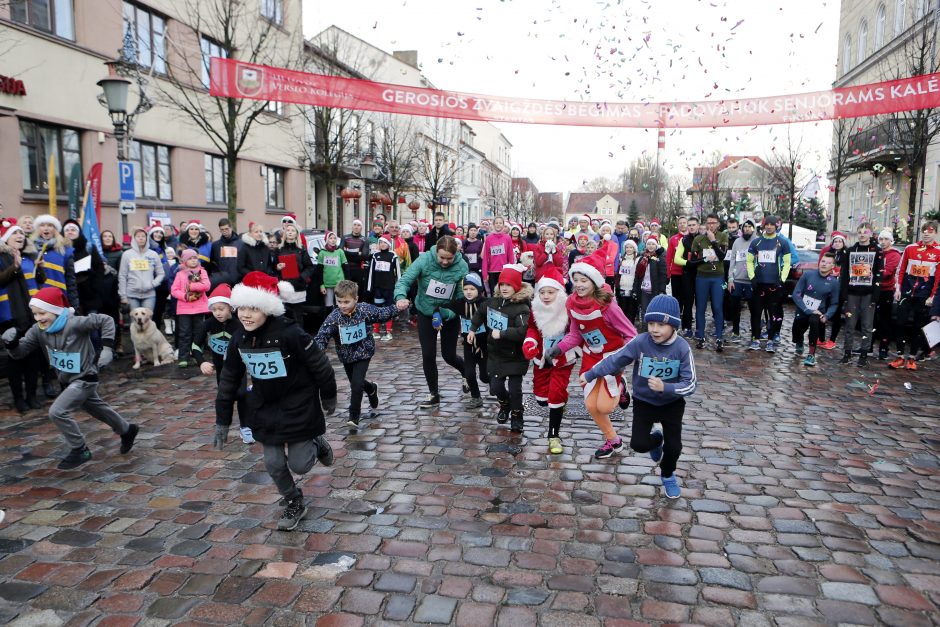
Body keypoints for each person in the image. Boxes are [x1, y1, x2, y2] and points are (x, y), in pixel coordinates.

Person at [216, 271, 336, 531]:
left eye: (254, 308)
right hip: (264, 408)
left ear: (268, 309)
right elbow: (228, 379)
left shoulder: (290, 332)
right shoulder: (239, 338)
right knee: (272, 463)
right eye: (242, 308)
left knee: (300, 465)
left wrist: (329, 394)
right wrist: (222, 420)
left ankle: (316, 442)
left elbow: (319, 363)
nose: (246, 315)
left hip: (298, 404)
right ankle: (294, 501)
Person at [2, 287, 138, 469]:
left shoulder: (75, 323)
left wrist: (107, 348)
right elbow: (19, 353)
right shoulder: (38, 330)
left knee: (57, 412)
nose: (38, 318)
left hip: (85, 377)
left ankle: (79, 449)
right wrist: (11, 344)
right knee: (97, 409)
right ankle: (127, 430)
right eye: (35, 314)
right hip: (66, 380)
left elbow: (106, 320)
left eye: (42, 313)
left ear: (56, 310)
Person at [581, 294, 696, 499]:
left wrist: (666, 387)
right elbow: (616, 359)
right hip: (644, 401)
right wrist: (591, 374)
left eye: (660, 324)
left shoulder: (681, 348)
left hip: (672, 403)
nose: (654, 329)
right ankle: (656, 439)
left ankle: (668, 475)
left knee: (674, 447)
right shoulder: (641, 342)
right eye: (651, 323)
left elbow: (690, 384)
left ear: (673, 326)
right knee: (639, 444)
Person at [547, 249, 637, 459]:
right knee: (590, 404)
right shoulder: (571, 303)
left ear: (594, 281)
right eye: (575, 279)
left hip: (612, 357)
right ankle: (613, 440)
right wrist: (559, 347)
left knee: (604, 406)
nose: (578, 284)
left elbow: (632, 335)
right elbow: (575, 335)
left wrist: (622, 359)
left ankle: (621, 387)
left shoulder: (608, 306)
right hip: (590, 357)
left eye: (584, 280)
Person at [394, 235, 469, 409]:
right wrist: (400, 297)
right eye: (441, 257)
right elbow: (405, 280)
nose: (444, 262)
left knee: (448, 355)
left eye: (449, 258)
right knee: (428, 354)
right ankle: (433, 394)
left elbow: (461, 297)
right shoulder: (424, 260)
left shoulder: (461, 266)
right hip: (426, 312)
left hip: (448, 314)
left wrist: (448, 313)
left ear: (455, 254)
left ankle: (466, 371)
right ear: (436, 252)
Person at [315, 280, 398, 428]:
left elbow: (382, 313)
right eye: (339, 301)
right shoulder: (334, 317)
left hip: (364, 352)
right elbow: (322, 336)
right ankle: (371, 388)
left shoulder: (364, 309)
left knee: (356, 384)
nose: (342, 305)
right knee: (356, 383)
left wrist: (398, 307)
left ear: (356, 299)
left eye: (347, 302)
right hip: (346, 356)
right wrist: (316, 352)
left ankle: (354, 416)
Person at [467, 263, 531, 433]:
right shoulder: (492, 302)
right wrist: (473, 329)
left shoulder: (522, 307)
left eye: (508, 285)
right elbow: (480, 313)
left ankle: (517, 416)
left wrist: (502, 333)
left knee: (515, 390)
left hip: (515, 356)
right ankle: (505, 405)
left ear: (516, 286)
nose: (504, 288)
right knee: (495, 387)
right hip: (496, 354)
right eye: (502, 284)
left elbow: (523, 331)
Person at [522, 266, 575, 454]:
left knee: (556, 394)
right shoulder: (535, 309)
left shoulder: (568, 311)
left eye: (550, 292)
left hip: (563, 360)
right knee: (541, 398)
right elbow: (532, 330)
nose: (545, 296)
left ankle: (554, 435)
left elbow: (575, 333)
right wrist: (530, 342)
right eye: (542, 292)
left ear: (559, 293)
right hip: (542, 359)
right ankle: (556, 401)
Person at [193, 284, 253, 445]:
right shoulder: (208, 324)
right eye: (214, 309)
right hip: (221, 369)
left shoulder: (238, 325)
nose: (218, 313)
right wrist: (202, 362)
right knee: (224, 397)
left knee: (241, 395)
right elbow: (195, 345)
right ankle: (222, 428)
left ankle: (246, 427)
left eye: (221, 308)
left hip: (238, 368)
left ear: (230, 308)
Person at [0, 219, 45, 411]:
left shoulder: (28, 257)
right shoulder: (1, 258)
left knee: (33, 357)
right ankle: (18, 398)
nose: (20, 236)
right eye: (15, 234)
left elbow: (38, 281)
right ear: (6, 239)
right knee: (15, 359)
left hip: (29, 315)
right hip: (9, 316)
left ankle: (32, 396)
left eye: (22, 234)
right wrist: (15, 267)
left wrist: (39, 268)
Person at [889, 220, 940, 370]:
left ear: (935, 233)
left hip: (924, 295)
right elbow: (901, 269)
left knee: (919, 326)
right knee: (899, 323)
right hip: (906, 291)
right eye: (924, 230)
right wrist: (898, 288)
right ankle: (899, 356)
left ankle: (911, 358)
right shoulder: (910, 248)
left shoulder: (938, 251)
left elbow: (938, 277)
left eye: (930, 231)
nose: (926, 233)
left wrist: (933, 296)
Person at [441, 273, 489, 408]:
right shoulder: (460, 303)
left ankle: (493, 382)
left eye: (472, 289)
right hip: (469, 345)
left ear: (479, 290)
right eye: (466, 289)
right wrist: (436, 313)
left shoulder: (485, 303)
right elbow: (444, 305)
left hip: (484, 345)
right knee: (469, 373)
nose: (468, 292)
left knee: (484, 377)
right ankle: (476, 397)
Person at [839, 223, 883, 366]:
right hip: (852, 293)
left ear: (871, 234)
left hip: (868, 294)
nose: (862, 234)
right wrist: (844, 293)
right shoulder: (850, 250)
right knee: (850, 325)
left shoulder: (877, 251)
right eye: (860, 232)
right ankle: (847, 353)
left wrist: (876, 295)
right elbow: (844, 272)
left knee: (866, 326)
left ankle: (863, 355)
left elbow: (878, 274)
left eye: (865, 232)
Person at [746, 215, 791, 353]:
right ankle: (756, 339)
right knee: (756, 313)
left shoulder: (782, 242)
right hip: (758, 284)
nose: (769, 227)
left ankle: (771, 340)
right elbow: (749, 261)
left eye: (772, 224)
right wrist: (752, 277)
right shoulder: (756, 242)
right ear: (763, 226)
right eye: (767, 224)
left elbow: (787, 262)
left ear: (776, 226)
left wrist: (782, 279)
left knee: (773, 314)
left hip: (774, 284)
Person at [792, 253, 841, 367]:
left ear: (833, 266)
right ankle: (799, 341)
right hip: (802, 309)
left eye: (828, 263)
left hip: (818, 312)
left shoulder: (834, 282)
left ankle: (811, 355)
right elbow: (796, 294)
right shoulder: (808, 275)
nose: (824, 264)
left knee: (814, 323)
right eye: (823, 261)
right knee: (796, 334)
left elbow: (834, 303)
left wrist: (827, 315)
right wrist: (807, 309)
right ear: (819, 262)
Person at [690, 214, 729, 351]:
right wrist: (704, 259)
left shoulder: (723, 236)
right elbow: (692, 261)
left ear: (718, 224)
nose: (711, 225)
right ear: (706, 224)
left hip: (718, 277)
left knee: (717, 307)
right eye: (709, 223)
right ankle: (700, 336)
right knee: (700, 307)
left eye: (714, 223)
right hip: (702, 277)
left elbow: (722, 256)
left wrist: (713, 241)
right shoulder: (698, 239)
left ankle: (719, 336)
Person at [170, 249, 210, 368]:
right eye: (190, 259)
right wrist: (185, 296)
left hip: (199, 308)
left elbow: (207, 286)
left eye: (195, 258)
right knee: (184, 333)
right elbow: (174, 290)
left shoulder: (202, 272)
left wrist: (192, 286)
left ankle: (197, 355)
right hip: (184, 308)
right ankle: (183, 357)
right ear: (185, 261)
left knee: (198, 332)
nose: (193, 261)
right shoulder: (180, 274)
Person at [32, 215, 80, 311]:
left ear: (55, 229)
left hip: (57, 300)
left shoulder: (65, 251)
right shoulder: (30, 249)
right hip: (34, 300)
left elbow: (70, 280)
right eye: (42, 225)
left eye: (50, 225)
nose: (46, 228)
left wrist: (74, 305)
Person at [62, 220, 105, 318]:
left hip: (89, 294)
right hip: (68, 293)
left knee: (92, 324)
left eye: (73, 230)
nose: (70, 232)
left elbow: (99, 268)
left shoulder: (89, 247)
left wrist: (95, 288)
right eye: (67, 230)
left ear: (79, 232)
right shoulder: (60, 249)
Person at [277, 222, 315, 326]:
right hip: (283, 287)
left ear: (296, 234)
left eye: (292, 231)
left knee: (297, 316)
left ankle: (299, 339)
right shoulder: (280, 249)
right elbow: (272, 267)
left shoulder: (301, 250)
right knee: (283, 316)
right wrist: (277, 267)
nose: (290, 232)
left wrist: (302, 277)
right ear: (285, 233)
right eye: (288, 230)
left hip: (298, 287)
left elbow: (310, 267)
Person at [118, 227, 164, 312]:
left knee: (147, 321)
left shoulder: (153, 254)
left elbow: (161, 273)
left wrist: (153, 283)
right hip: (131, 294)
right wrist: (123, 296)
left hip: (149, 295)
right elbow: (122, 276)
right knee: (135, 321)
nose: (141, 238)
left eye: (143, 236)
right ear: (134, 238)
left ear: (147, 238)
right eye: (138, 236)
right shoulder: (127, 254)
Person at [366, 235, 401, 341]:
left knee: (388, 308)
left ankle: (388, 332)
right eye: (380, 242)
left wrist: (399, 288)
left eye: (385, 242)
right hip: (378, 288)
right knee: (377, 308)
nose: (382, 244)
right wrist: (369, 287)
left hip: (389, 288)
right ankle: (376, 331)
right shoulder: (375, 256)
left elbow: (398, 273)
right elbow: (371, 272)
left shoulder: (393, 255)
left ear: (389, 244)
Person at [873, 229, 902, 359]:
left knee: (884, 321)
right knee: (871, 320)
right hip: (874, 289)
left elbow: (888, 272)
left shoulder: (894, 254)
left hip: (886, 290)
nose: (883, 242)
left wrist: (871, 274)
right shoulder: (876, 252)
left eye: (886, 239)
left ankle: (883, 348)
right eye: (881, 239)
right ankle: (868, 346)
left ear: (891, 241)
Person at [818, 231, 848, 349]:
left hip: (839, 288)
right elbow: (822, 266)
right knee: (822, 311)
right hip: (826, 286)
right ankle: (821, 338)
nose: (837, 243)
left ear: (843, 243)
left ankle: (832, 339)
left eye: (840, 241)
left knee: (836, 314)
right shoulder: (828, 253)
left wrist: (839, 272)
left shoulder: (846, 254)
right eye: (835, 241)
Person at [726, 220, 755, 342]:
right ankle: (735, 332)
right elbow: (732, 260)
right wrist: (730, 278)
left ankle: (755, 333)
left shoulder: (757, 241)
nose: (747, 229)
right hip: (737, 280)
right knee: (735, 307)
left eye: (749, 227)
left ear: (753, 228)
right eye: (745, 227)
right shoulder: (737, 242)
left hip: (751, 281)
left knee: (754, 309)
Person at [673, 216, 700, 336]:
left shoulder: (703, 239)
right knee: (687, 302)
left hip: (701, 274)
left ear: (698, 226)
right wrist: (688, 262)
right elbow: (676, 259)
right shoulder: (683, 240)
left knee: (700, 303)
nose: (691, 227)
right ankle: (687, 328)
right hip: (687, 274)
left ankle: (700, 328)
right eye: (690, 225)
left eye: (694, 225)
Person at [635, 236, 668, 330]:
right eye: (649, 243)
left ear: (656, 245)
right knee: (644, 310)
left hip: (655, 289)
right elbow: (637, 274)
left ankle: (655, 328)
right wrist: (636, 288)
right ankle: (645, 329)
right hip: (644, 288)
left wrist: (662, 290)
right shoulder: (642, 258)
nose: (651, 246)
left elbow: (663, 275)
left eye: (653, 244)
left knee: (654, 309)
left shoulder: (660, 258)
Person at [99, 230, 123, 353]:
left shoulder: (118, 253)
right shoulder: (97, 251)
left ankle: (117, 343)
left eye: (110, 236)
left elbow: (121, 272)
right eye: (105, 236)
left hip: (113, 290)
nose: (107, 238)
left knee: (114, 319)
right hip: (99, 291)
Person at [148, 225, 173, 331]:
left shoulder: (163, 248)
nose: (159, 234)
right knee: (151, 314)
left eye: (161, 233)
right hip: (152, 285)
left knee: (158, 314)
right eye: (156, 232)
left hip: (162, 287)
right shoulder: (149, 248)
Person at [482, 217, 513, 294]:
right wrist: (485, 274)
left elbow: (510, 255)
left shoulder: (507, 238)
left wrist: (511, 270)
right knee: (494, 294)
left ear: (503, 225)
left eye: (500, 223)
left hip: (504, 271)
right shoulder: (489, 238)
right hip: (492, 271)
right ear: (493, 225)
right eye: (496, 223)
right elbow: (485, 256)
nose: (498, 225)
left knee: (504, 293)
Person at [317, 231, 347, 311]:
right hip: (327, 284)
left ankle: (340, 322)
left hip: (339, 283)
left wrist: (346, 282)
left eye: (334, 238)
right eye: (330, 238)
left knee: (340, 305)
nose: (333, 240)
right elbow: (319, 270)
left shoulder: (340, 251)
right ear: (327, 240)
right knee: (328, 305)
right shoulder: (322, 253)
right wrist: (321, 285)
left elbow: (346, 267)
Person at [665, 216, 688, 322]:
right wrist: (668, 273)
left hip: (688, 272)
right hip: (676, 272)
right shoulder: (673, 239)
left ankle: (686, 315)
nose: (682, 225)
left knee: (686, 295)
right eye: (680, 223)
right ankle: (677, 314)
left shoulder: (692, 238)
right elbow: (669, 257)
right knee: (676, 296)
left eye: (684, 222)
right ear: (677, 225)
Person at [209, 218, 242, 289]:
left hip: (238, 280)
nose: (224, 231)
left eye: (226, 229)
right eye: (222, 230)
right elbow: (212, 263)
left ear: (231, 228)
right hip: (221, 281)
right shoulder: (215, 245)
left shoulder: (241, 244)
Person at [340, 219, 370, 297]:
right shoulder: (345, 238)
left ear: (361, 228)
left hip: (358, 269)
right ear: (352, 227)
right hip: (346, 268)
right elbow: (341, 253)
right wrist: (357, 253)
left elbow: (364, 256)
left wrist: (348, 252)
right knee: (346, 291)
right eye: (355, 225)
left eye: (358, 225)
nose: (356, 227)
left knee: (357, 291)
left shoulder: (365, 240)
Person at [617, 240, 640, 322]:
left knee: (631, 308)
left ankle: (631, 326)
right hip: (622, 287)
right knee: (623, 307)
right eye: (627, 247)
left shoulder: (637, 259)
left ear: (634, 249)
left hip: (631, 287)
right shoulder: (622, 259)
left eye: (631, 247)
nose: (629, 249)